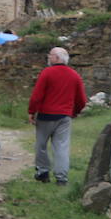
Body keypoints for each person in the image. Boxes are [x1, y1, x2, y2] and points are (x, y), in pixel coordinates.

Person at [27, 46, 87, 185]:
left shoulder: (47, 73)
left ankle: (43, 172)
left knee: (41, 145)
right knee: (61, 147)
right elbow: (82, 100)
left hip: (46, 115)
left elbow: (37, 96)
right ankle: (61, 177)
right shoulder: (74, 75)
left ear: (57, 58)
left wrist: (32, 111)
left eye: (51, 55)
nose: (49, 57)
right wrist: (74, 112)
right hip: (64, 116)